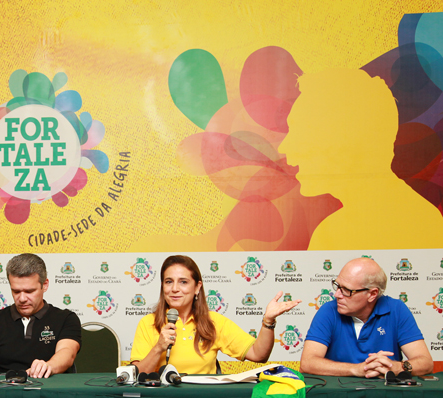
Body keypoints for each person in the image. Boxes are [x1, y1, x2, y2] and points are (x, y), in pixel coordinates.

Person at [279, 68, 443, 250]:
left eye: (301, 132)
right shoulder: (419, 218)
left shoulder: (338, 233)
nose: (284, 147)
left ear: (345, 139)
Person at [131, 255, 299, 375]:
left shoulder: (214, 322)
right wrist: (158, 348)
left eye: (183, 282)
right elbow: (136, 376)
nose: (175, 288)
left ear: (197, 287)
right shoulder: (148, 323)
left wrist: (268, 321)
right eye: (169, 282)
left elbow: (258, 354)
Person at [300, 257, 432, 377]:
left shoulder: (397, 310)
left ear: (372, 294)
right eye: (337, 286)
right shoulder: (329, 310)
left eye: (346, 290)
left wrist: (397, 367)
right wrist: (356, 369)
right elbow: (307, 363)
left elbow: (426, 363)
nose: (337, 295)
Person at [0, 253, 81, 378]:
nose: (22, 298)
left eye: (29, 291)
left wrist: (48, 366)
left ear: (45, 285)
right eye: (16, 291)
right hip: (4, 389)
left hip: (50, 388)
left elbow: (67, 353)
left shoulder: (66, 319)